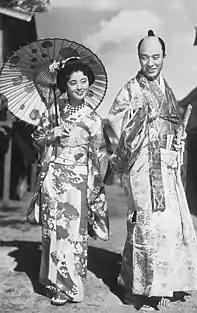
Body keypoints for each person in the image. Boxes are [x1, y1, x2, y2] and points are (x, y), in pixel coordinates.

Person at [108, 30, 197, 311]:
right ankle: (138, 288)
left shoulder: (168, 90)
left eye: (155, 56)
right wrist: (140, 120)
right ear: (138, 58)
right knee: (145, 225)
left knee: (169, 226)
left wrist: (178, 138)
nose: (150, 63)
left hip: (166, 165)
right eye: (144, 57)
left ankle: (163, 285)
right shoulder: (130, 89)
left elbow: (174, 125)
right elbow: (116, 124)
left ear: (164, 56)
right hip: (142, 168)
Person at [28, 56, 109, 306]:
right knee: (53, 231)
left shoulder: (93, 119)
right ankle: (53, 282)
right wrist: (50, 134)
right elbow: (37, 138)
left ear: (89, 83)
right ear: (65, 85)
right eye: (73, 82)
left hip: (78, 180)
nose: (79, 86)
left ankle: (71, 286)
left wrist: (95, 184)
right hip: (54, 176)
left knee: (72, 233)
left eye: (84, 81)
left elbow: (100, 154)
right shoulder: (53, 113)